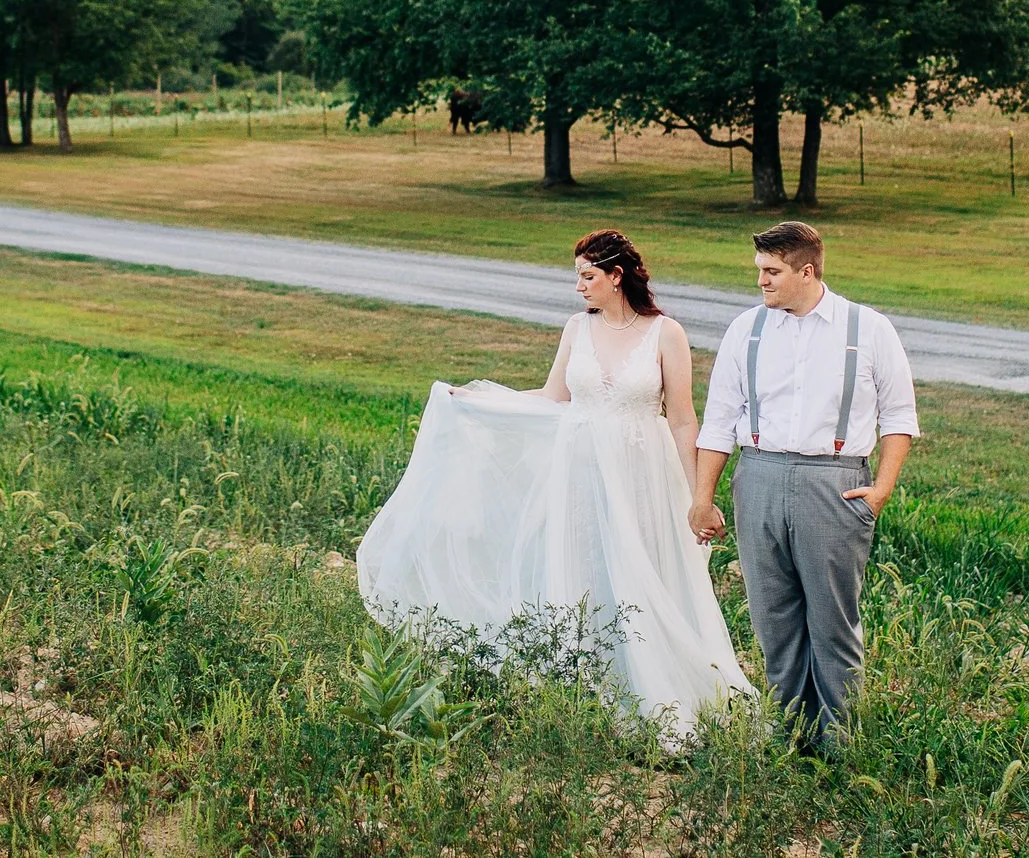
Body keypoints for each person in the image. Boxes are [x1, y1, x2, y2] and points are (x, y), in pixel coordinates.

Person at [357, 228, 753, 738]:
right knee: (587, 571)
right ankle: (587, 692)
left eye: (588, 276)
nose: (579, 287)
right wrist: (479, 401)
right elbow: (552, 398)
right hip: (581, 471)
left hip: (642, 476)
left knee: (644, 575)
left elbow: (681, 419)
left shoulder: (665, 333)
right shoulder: (576, 329)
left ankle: (658, 696)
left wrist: (697, 494)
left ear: (617, 276)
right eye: (577, 277)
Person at [689, 220, 918, 752]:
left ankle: (840, 742)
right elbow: (719, 419)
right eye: (760, 272)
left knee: (833, 621)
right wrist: (703, 498)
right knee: (773, 617)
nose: (761, 282)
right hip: (760, 475)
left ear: (806, 271)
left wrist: (881, 488)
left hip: (834, 482)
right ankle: (787, 735)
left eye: (772, 272)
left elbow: (900, 415)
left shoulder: (868, 329)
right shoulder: (745, 329)